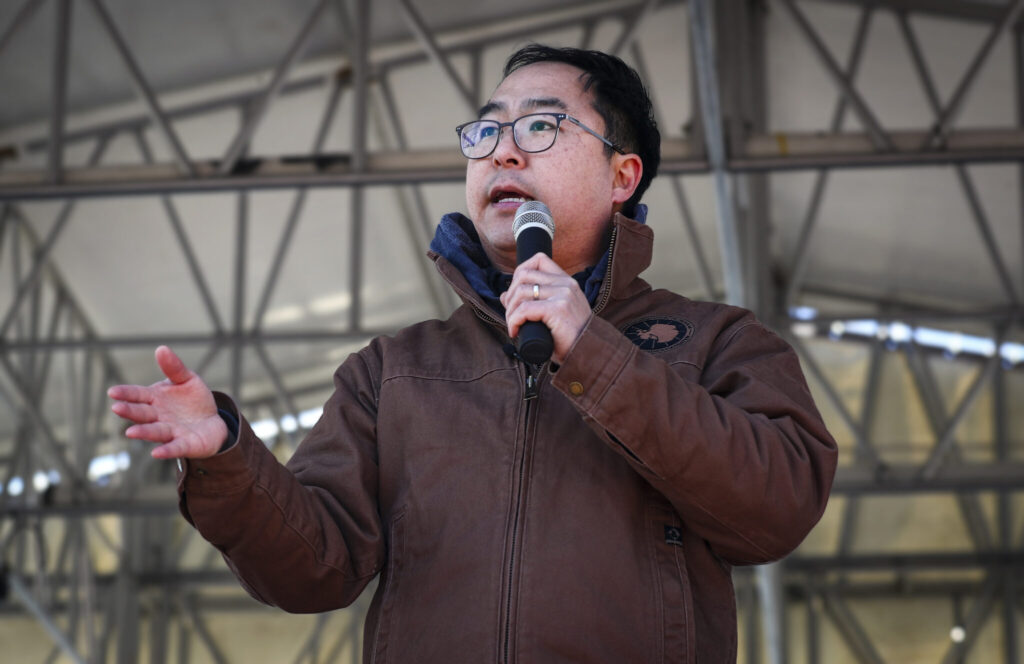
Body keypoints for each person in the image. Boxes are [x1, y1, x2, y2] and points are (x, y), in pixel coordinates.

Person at [109, 44, 837, 663]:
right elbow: (313, 571)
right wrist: (227, 459)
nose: (503, 150)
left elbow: (778, 507)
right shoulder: (391, 372)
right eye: (487, 131)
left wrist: (593, 352)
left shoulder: (716, 341)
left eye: (542, 126)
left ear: (622, 176)